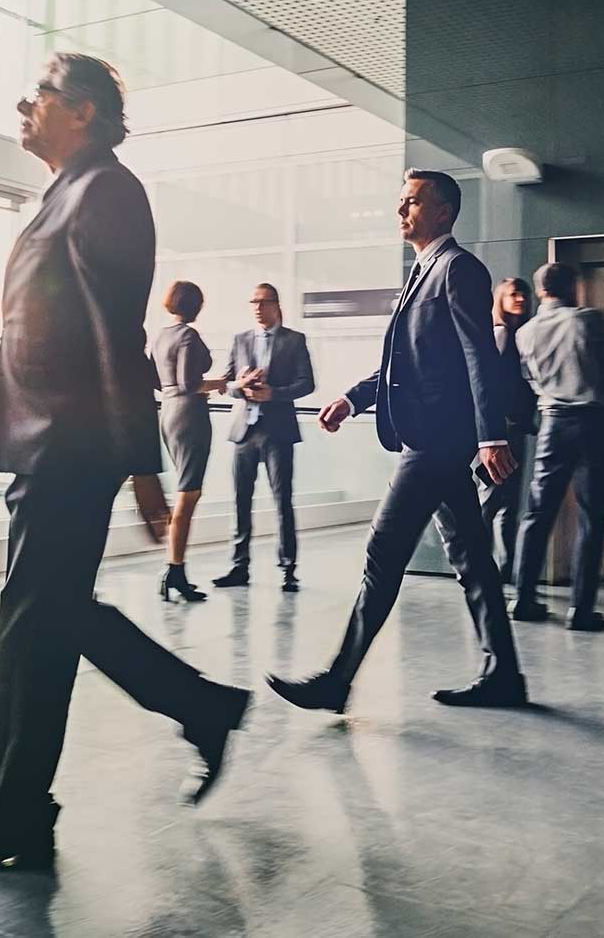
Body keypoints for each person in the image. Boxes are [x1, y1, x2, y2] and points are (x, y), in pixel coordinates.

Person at [0, 54, 250, 877]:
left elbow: (114, 337)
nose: (23, 104)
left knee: (35, 620)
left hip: (73, 446)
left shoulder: (108, 193)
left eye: (40, 93)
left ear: (83, 111)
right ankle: (191, 711)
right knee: (48, 615)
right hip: (44, 440)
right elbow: (32, 331)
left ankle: (16, 811)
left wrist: (142, 465)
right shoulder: (67, 191)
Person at [265, 169, 527, 713]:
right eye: (401, 202)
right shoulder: (421, 271)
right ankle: (504, 674)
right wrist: (354, 398)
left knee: (383, 552)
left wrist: (491, 435)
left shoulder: (458, 269)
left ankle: (337, 682)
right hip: (431, 440)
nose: (400, 211)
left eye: (411, 202)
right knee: (472, 557)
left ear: (443, 212)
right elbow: (402, 364)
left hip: (436, 442)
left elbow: (479, 357)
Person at [508, 263, 604, 630]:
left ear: (541, 291)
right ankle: (581, 610)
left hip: (552, 425)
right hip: (593, 423)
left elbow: (528, 378)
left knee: (537, 513)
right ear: (572, 286)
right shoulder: (588, 320)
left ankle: (523, 598)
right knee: (592, 515)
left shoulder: (524, 332)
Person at [210, 283, 315, 593]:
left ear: (276, 305)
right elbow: (226, 384)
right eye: (253, 302)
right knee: (241, 500)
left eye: (263, 302)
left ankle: (288, 569)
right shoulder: (239, 339)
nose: (257, 307)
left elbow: (307, 383)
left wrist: (274, 394)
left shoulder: (294, 340)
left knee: (282, 500)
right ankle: (239, 566)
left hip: (277, 431)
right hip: (244, 431)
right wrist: (241, 385)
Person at [152, 280, 227, 602]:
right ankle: (174, 571)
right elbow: (189, 383)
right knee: (189, 493)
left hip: (168, 413)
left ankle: (174, 567)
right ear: (195, 304)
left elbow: (160, 382)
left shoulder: (162, 336)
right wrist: (222, 383)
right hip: (189, 416)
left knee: (186, 490)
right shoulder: (187, 336)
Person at [481, 278, 537, 585]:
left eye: (523, 294)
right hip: (502, 429)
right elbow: (488, 384)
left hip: (515, 427)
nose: (520, 299)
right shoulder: (501, 334)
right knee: (492, 499)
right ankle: (479, 563)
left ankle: (503, 569)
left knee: (508, 502)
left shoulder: (520, 334)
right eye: (513, 294)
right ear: (500, 299)